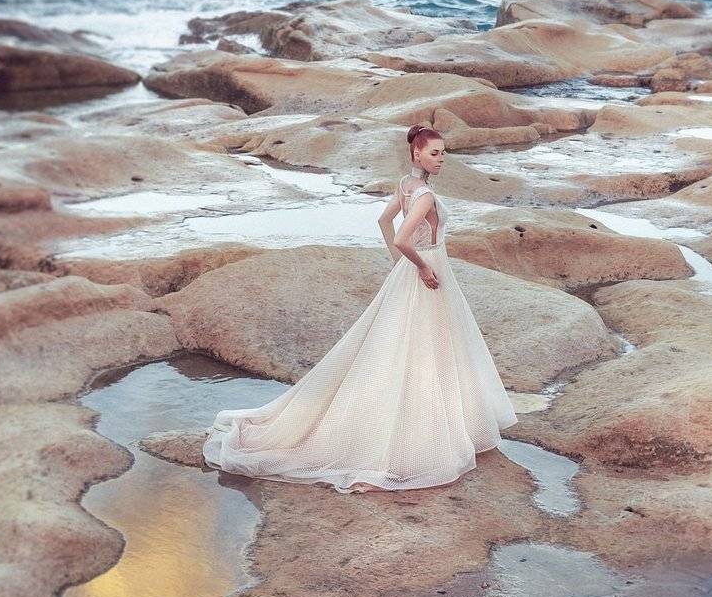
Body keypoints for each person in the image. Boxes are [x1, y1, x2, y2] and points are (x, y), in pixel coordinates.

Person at [201, 123, 519, 494]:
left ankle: (430, 419)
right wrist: (419, 265)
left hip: (415, 272)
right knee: (426, 348)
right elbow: (401, 236)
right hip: (428, 271)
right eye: (434, 153)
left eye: (444, 152)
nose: (441, 159)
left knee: (412, 347)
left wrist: (398, 262)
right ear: (417, 154)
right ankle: (423, 431)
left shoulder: (406, 185)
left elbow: (384, 221)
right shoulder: (426, 196)